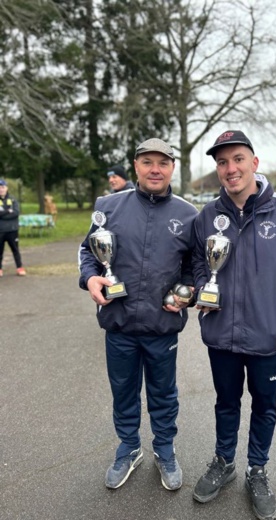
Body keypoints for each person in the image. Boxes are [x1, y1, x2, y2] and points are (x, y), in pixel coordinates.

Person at [192, 130, 276, 520]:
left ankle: (256, 469)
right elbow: (197, 264)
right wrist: (202, 291)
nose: (231, 169)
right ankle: (224, 462)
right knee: (226, 403)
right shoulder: (208, 216)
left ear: (254, 163)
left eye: (238, 159)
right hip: (221, 335)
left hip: (268, 336)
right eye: (223, 162)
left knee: (264, 406)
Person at [79, 138, 198, 491]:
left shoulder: (188, 214)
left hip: (163, 326)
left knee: (164, 393)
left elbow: (195, 268)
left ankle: (164, 448)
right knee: (124, 391)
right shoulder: (108, 207)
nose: (155, 169)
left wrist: (187, 293)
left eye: (162, 162)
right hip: (119, 323)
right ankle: (129, 448)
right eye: (148, 162)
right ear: (135, 166)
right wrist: (90, 278)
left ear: (172, 167)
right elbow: (88, 254)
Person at [0, 179, 26, 277]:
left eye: (2, 187)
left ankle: (19, 268)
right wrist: (8, 211)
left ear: (6, 188)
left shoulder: (13, 199)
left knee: (15, 250)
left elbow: (15, 213)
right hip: (0, 230)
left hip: (12, 230)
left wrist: (3, 214)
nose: (1, 189)